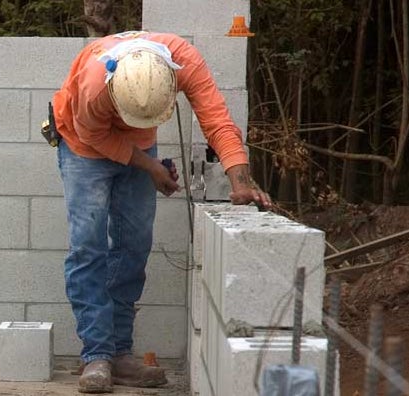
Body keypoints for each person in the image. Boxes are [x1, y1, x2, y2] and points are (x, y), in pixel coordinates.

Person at [51, 31, 272, 393]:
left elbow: (217, 121)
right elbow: (94, 136)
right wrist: (150, 167)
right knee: (87, 244)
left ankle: (119, 354)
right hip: (83, 145)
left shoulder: (183, 60)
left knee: (134, 244)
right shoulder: (94, 82)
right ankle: (96, 355)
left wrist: (241, 181)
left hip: (137, 144)